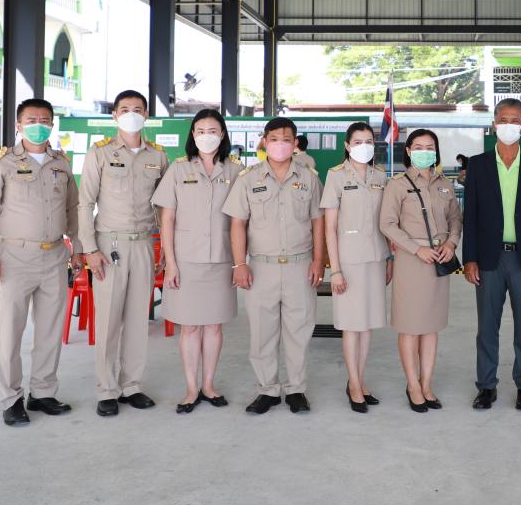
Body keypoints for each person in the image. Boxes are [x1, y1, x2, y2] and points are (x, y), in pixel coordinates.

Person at [0, 98, 81, 426]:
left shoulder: (61, 163)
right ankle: (11, 398)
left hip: (55, 256)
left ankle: (43, 393)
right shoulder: (2, 163)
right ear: (18, 125)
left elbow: (73, 210)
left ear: (52, 125)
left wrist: (77, 248)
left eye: (45, 120)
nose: (39, 125)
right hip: (15, 258)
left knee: (50, 331)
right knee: (10, 332)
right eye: (31, 120)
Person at [222, 117, 326, 415]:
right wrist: (239, 264)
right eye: (275, 139)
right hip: (261, 267)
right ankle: (267, 389)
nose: (280, 144)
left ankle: (296, 389)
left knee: (298, 332)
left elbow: (318, 223)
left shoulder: (309, 178)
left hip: (300, 265)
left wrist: (319, 261)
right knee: (262, 333)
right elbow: (238, 224)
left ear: (295, 143)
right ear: (264, 141)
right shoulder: (248, 178)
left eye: (286, 139)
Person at [78, 89, 169, 417]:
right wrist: (89, 249)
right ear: (115, 115)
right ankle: (107, 389)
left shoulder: (157, 156)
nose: (132, 114)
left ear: (146, 115)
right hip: (109, 245)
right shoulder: (100, 152)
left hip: (144, 243)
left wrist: (166, 247)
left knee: (137, 320)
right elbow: (85, 203)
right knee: (108, 320)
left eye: (138, 109)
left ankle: (132, 385)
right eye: (125, 109)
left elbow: (164, 206)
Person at [462, 99, 521, 411]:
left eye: (515, 120)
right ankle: (486, 386)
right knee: (487, 328)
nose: (508, 125)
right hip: (489, 259)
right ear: (494, 125)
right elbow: (470, 216)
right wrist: (469, 258)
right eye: (503, 119)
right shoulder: (478, 165)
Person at [152, 110, 238, 414]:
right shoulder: (178, 169)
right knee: (189, 328)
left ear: (222, 134)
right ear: (192, 135)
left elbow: (242, 220)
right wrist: (170, 263)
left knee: (213, 326)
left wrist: (240, 263)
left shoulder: (236, 171)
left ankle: (209, 385)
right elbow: (167, 219)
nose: (206, 136)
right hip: (186, 261)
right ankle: (191, 388)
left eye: (212, 130)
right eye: (200, 130)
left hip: (221, 260)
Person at [380, 128, 462, 413]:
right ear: (408, 151)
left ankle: (427, 384)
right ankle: (412, 385)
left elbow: (455, 219)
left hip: (440, 259)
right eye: (418, 147)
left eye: (429, 147)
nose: (424, 152)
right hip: (412, 261)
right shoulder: (397, 184)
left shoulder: (445, 184)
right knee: (410, 326)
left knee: (430, 327)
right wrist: (417, 249)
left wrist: (451, 243)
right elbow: (387, 224)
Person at [322, 122, 390, 413]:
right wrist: (335, 269)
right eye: (358, 141)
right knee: (352, 325)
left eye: (369, 141)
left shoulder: (381, 176)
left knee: (368, 324)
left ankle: (360, 380)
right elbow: (329, 227)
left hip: (376, 258)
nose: (364, 146)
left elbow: (387, 222)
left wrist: (390, 259)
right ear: (347, 146)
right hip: (348, 260)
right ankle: (353, 384)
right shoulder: (336, 175)